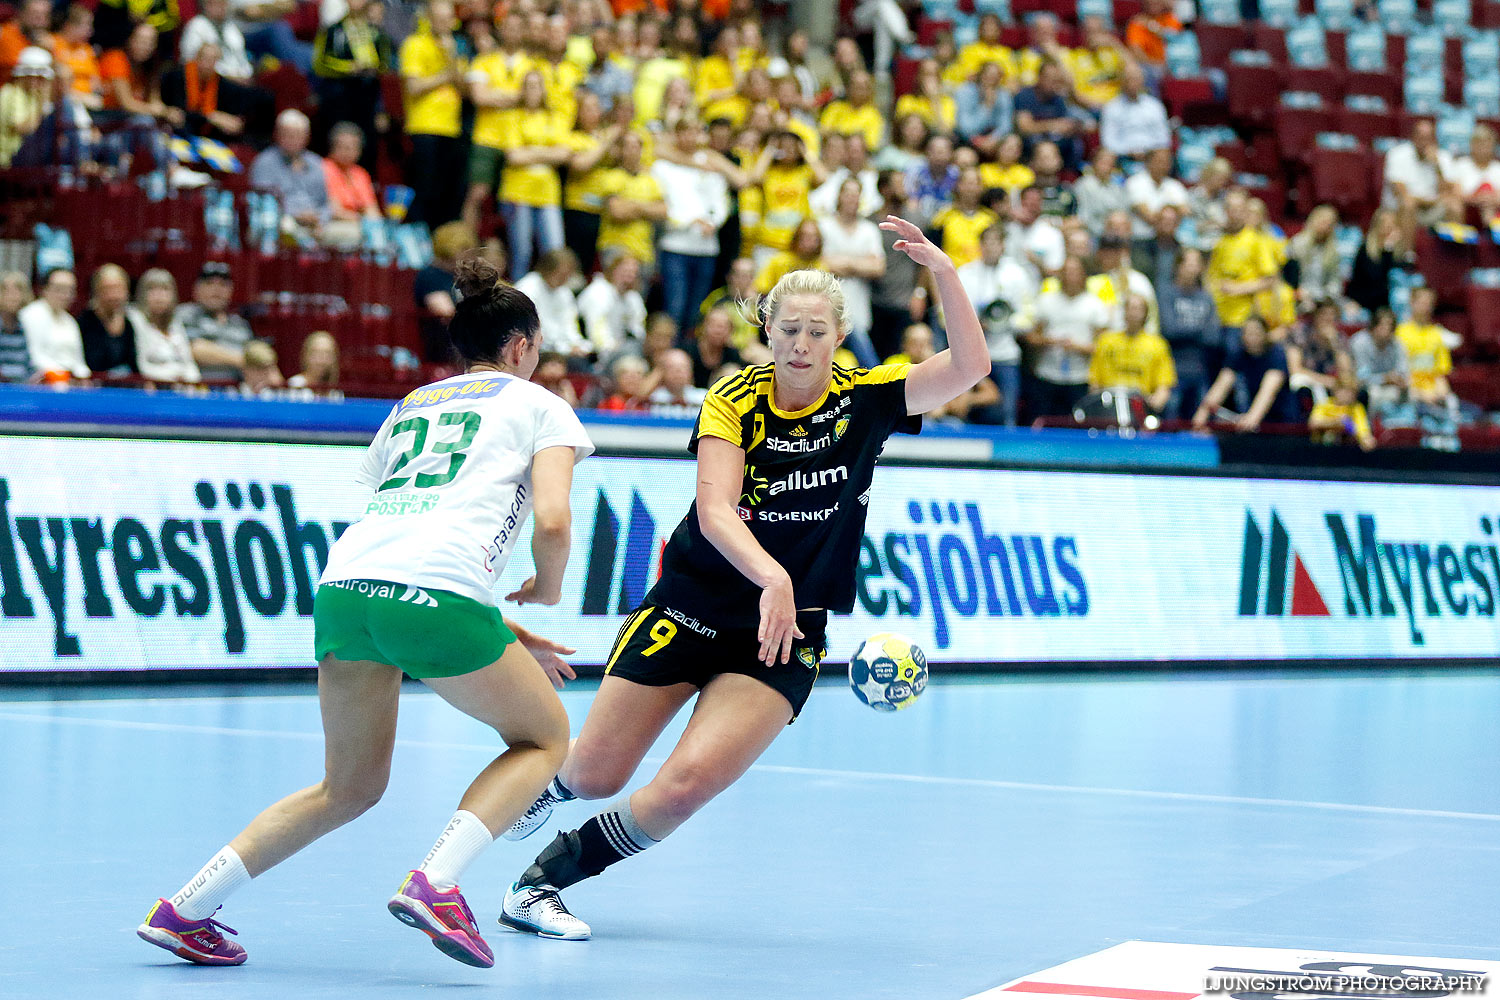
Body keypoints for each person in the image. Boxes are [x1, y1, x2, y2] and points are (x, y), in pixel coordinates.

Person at [494, 216, 990, 940]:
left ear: (838, 338)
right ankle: (557, 785)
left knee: (685, 787)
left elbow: (970, 367)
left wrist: (944, 274)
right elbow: (716, 508)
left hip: (784, 636)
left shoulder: (868, 398)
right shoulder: (735, 397)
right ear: (769, 331)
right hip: (694, 607)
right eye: (788, 328)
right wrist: (771, 576)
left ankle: (540, 884)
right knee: (598, 774)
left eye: (817, 331)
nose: (800, 343)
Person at [137, 255, 590, 970]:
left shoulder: (412, 403)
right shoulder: (541, 405)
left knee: (346, 786)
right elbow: (556, 522)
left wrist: (499, 628)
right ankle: (437, 884)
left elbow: (407, 528)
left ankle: (184, 909)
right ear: (522, 347)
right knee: (543, 739)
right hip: (434, 594)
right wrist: (547, 588)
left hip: (348, 588)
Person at [653, 118, 733, 338]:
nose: (690, 137)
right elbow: (661, 201)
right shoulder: (662, 165)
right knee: (674, 308)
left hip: (706, 247)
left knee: (696, 312)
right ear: (676, 135)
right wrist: (690, 220)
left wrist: (713, 220)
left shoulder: (708, 162)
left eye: (695, 131)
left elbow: (721, 200)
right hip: (675, 244)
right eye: (685, 132)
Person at [958, 223, 1036, 427]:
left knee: (1007, 411)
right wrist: (974, 325)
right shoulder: (966, 273)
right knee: (964, 407)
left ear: (1003, 246)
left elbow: (1028, 317)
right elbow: (950, 312)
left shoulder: (1017, 275)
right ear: (980, 245)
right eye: (987, 242)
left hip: (1005, 354)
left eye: (996, 242)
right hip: (972, 354)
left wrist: (1002, 323)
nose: (991, 247)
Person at [500, 70, 573, 281]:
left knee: (555, 253)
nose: (533, 91)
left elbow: (565, 153)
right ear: (522, 90)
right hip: (517, 192)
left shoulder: (555, 117)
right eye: (529, 85)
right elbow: (513, 156)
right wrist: (547, 152)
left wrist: (530, 150)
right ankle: (517, 304)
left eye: (537, 85)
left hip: (548, 193)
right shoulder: (512, 116)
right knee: (521, 253)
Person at [400, 0, 466, 227]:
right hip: (424, 126)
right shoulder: (414, 44)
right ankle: (418, 238)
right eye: (439, 18)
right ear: (429, 18)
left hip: (452, 128)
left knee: (447, 194)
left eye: (448, 18)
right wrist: (446, 74)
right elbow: (413, 87)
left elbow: (464, 89)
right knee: (424, 189)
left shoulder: (457, 47)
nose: (444, 23)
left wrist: (452, 59)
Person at [312, 0, 391, 173]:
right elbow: (319, 64)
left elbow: (384, 65)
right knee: (338, 139)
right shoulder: (334, 30)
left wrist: (381, 108)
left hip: (367, 97)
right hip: (339, 96)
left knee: (366, 145)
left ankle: (363, 186)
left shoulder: (375, 32)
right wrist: (349, 68)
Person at [1026, 256, 1108, 417]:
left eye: (1075, 272)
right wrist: (1048, 341)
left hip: (1080, 377)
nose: (1070, 276)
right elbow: (1031, 337)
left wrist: (1078, 347)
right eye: (1067, 271)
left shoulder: (1095, 305)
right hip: (1047, 375)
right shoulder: (1045, 301)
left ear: (1084, 275)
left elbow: (1103, 346)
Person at [818, 178, 886, 367]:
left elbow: (878, 267)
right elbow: (819, 262)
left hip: (859, 306)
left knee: (855, 364)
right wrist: (860, 264)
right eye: (847, 193)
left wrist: (844, 262)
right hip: (827, 305)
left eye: (856, 194)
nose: (851, 198)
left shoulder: (869, 230)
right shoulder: (824, 226)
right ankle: (877, 383)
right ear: (839, 196)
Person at [1192, 315, 1294, 432]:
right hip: (1254, 423)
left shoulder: (1277, 355)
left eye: (1256, 332)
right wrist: (1201, 415)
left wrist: (1252, 417)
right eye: (1247, 333)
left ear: (1265, 334)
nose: (1251, 337)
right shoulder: (1239, 354)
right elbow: (1221, 385)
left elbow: (1268, 392)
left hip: (1282, 423)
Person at [1157, 248, 1221, 419]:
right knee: (1170, 421)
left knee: (1200, 422)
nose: (1192, 268)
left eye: (1196, 264)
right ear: (1178, 266)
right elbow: (1169, 330)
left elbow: (1214, 336)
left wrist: (1185, 332)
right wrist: (1200, 330)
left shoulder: (1206, 297)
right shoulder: (1167, 294)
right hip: (1172, 368)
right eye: (1188, 263)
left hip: (1200, 369)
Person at [1087, 293, 1176, 413]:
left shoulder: (1157, 345)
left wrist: (1153, 406)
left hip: (1141, 406)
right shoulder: (1106, 341)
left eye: (1138, 309)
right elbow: (1095, 383)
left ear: (1146, 314)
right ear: (1124, 311)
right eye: (1130, 308)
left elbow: (1164, 386)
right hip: (1109, 405)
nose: (1133, 313)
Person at [176, 260, 254, 382]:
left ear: (231, 290)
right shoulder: (185, 314)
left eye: (223, 285)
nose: (216, 290)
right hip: (196, 390)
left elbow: (256, 357)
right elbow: (194, 349)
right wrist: (242, 360)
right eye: (209, 283)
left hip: (235, 392)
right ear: (196, 289)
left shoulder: (240, 324)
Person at [515, 249, 589, 363]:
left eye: (568, 275)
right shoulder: (528, 288)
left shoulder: (564, 291)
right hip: (536, 348)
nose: (565, 279)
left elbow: (569, 323)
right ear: (548, 269)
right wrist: (565, 348)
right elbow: (533, 329)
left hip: (562, 348)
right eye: (562, 274)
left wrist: (576, 344)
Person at [1014, 59, 1084, 172]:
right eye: (1051, 80)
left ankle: (1069, 175)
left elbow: (1065, 122)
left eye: (1057, 81)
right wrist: (1052, 125)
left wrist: (1070, 127)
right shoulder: (1024, 96)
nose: (1054, 84)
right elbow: (1025, 127)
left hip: (1054, 140)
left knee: (1076, 143)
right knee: (1046, 150)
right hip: (1031, 143)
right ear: (1040, 77)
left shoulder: (1058, 99)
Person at [19, 269, 89, 380]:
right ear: (44, 289)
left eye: (70, 290)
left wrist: (82, 375)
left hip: (70, 381)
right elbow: (34, 356)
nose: (65, 295)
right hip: (42, 381)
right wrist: (61, 375)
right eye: (59, 289)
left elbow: (79, 360)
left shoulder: (70, 321)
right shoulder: (31, 314)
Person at [1382, 118, 1453, 227]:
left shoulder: (1443, 157)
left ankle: (1452, 245)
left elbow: (1448, 193)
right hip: (1402, 208)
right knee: (1408, 204)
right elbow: (1401, 194)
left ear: (1434, 140)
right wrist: (1427, 201)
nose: (1424, 143)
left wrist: (1437, 167)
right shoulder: (1397, 154)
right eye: (1421, 138)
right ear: (1413, 137)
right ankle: (1406, 245)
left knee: (1454, 206)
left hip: (1432, 208)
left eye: (1428, 138)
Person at [578, 252, 648, 361]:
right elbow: (596, 334)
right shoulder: (598, 292)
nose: (630, 276)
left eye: (634, 272)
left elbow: (638, 330)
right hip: (597, 352)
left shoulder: (634, 298)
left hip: (624, 350)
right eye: (625, 271)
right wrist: (612, 348)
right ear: (612, 270)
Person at [79, 263, 141, 378]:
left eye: (119, 289)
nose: (114, 295)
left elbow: (134, 367)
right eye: (108, 289)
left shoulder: (129, 324)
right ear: (96, 291)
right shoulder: (84, 323)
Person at [1345, 207, 1411, 315]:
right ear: (1376, 225)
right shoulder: (1365, 249)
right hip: (1363, 301)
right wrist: (1387, 249)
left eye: (1392, 223)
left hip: (1387, 306)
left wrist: (1389, 249)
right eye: (1384, 222)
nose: (1388, 227)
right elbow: (1376, 280)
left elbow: (1400, 275)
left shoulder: (1398, 251)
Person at [322, 122, 382, 240]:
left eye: (353, 147)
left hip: (360, 223)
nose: (348, 152)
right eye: (343, 147)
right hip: (332, 223)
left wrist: (375, 223)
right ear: (332, 147)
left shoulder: (361, 173)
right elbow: (335, 211)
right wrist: (364, 221)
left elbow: (371, 209)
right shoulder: (324, 169)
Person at [1100, 61, 1169, 160]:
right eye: (1129, 79)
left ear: (1143, 81)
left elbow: (1163, 138)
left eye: (1136, 79)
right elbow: (1108, 141)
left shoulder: (1154, 106)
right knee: (1106, 156)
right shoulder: (1111, 107)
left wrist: (1147, 151)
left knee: (1164, 154)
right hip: (1122, 158)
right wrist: (1129, 152)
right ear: (1122, 81)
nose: (1132, 83)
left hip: (1151, 158)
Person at [1287, 299, 1350, 405]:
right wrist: (1325, 381)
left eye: (1332, 315)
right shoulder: (1299, 334)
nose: (1328, 318)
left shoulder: (1338, 338)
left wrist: (1334, 343)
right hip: (1308, 381)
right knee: (1300, 384)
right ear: (1315, 315)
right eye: (1324, 314)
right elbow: (1295, 369)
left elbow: (1346, 371)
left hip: (1332, 383)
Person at [1350, 307, 1409, 417]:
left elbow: (1403, 370)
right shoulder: (1360, 342)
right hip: (1367, 388)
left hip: (1392, 387)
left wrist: (1400, 379)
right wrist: (1384, 378)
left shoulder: (1397, 344)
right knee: (1373, 394)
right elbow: (1361, 377)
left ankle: (1404, 424)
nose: (1386, 330)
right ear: (1373, 326)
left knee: (1409, 392)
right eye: (1382, 325)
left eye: (1390, 327)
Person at [180, 0, 255, 83]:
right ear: (206, 5)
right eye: (216, 3)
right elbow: (191, 61)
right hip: (210, 81)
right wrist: (228, 77)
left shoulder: (231, 28)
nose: (221, 8)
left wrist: (245, 75)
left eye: (224, 4)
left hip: (238, 81)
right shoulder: (196, 26)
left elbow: (242, 58)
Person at [1125, 147, 1187, 242]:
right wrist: (1169, 215)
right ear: (1148, 162)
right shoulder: (1134, 182)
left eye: (1167, 162)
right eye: (1160, 161)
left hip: (1170, 241)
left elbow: (1184, 212)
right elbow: (1148, 216)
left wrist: (1165, 217)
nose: (1164, 165)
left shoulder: (1175, 185)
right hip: (1141, 239)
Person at [955, 62, 1012, 158]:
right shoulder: (965, 92)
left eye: (995, 77)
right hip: (968, 140)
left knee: (1012, 142)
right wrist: (987, 107)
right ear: (980, 76)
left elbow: (1005, 126)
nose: (991, 81)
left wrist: (992, 139)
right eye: (988, 76)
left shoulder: (1004, 95)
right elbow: (965, 128)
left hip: (993, 140)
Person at [1308, 373, 1376, 450]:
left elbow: (1362, 430)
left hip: (1344, 449)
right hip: (1320, 448)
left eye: (1353, 392)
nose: (1349, 395)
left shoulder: (1356, 408)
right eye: (1346, 391)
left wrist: (1367, 440)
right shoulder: (1324, 404)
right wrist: (1337, 422)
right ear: (1336, 391)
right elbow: (1313, 423)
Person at [1074, 146, 1130, 239]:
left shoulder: (1117, 186)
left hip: (1115, 234)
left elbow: (1123, 212)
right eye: (1103, 163)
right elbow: (1084, 218)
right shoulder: (1084, 185)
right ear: (1094, 163)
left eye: (1110, 164)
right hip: (1092, 234)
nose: (1107, 167)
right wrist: (1104, 233)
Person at [685, 305, 742, 387]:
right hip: (688, 396)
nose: (718, 331)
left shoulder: (733, 355)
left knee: (732, 371)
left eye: (723, 327)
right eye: (714, 325)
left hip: (719, 397)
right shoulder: (688, 350)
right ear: (703, 326)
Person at [0, 271, 36, 383]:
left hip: (21, 388)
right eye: (6, 291)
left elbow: (28, 365)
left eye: (18, 290)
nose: (13, 296)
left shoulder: (24, 326)